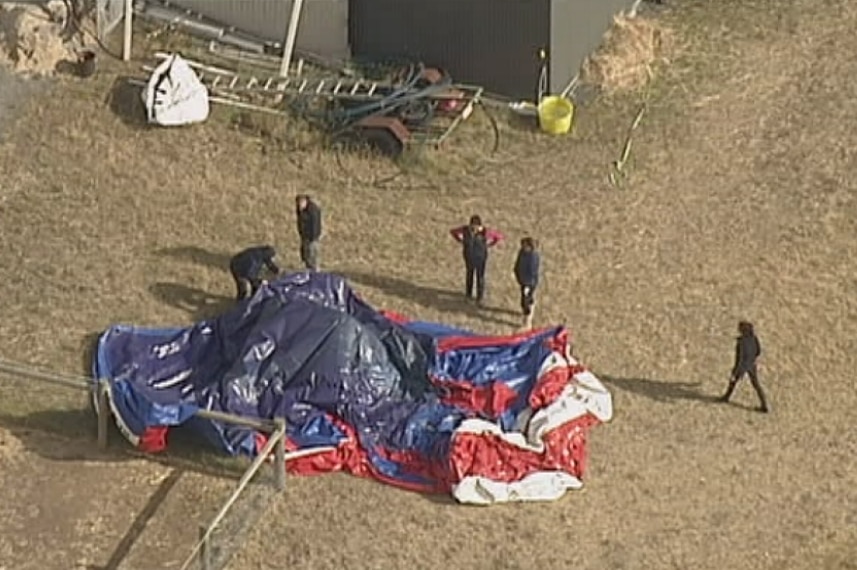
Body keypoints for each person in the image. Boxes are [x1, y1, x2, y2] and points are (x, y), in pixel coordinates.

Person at [450, 215, 503, 304]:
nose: (473, 228)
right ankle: (468, 295)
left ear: (479, 226)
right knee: (469, 275)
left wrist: (490, 244)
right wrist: (460, 240)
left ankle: (479, 297)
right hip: (469, 256)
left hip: (481, 258)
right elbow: (453, 232)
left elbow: (498, 236)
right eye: (472, 226)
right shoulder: (465, 230)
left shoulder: (485, 232)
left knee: (480, 277)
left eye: (475, 226)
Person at [719, 320, 769, 413]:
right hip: (751, 364)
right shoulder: (754, 338)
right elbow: (758, 351)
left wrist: (736, 369)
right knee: (756, 385)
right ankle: (764, 405)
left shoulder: (741, 342)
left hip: (742, 366)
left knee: (733, 380)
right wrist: (752, 359)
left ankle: (726, 397)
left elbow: (740, 357)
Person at [514, 237, 541, 329]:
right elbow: (518, 263)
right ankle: (528, 309)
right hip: (522, 280)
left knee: (525, 300)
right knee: (525, 298)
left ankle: (527, 319)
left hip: (529, 282)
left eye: (525, 246)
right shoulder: (522, 252)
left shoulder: (533, 257)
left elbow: (532, 272)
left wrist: (528, 285)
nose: (523, 247)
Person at [295, 194, 322, 271]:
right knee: (305, 256)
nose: (299, 205)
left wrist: (312, 237)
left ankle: (315, 272)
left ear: (305, 201)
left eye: (301, 203)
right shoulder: (300, 210)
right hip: (304, 236)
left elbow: (315, 225)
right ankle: (309, 270)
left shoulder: (313, 210)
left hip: (312, 237)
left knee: (312, 256)